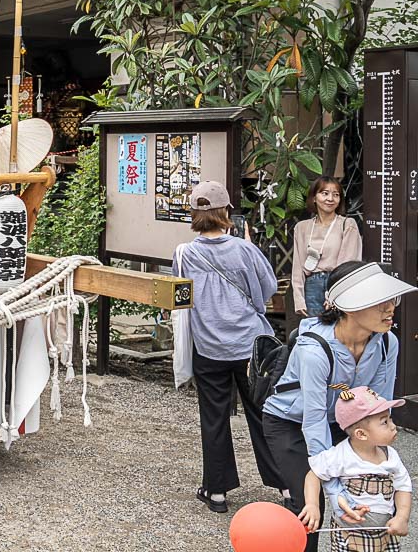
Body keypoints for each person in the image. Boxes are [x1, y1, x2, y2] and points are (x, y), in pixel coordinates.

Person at [263, 260, 416, 552]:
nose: (390, 309)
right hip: (291, 422)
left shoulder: (387, 343)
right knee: (310, 499)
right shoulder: (314, 351)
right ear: (349, 307)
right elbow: (314, 419)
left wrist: (374, 458)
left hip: (342, 421)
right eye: (379, 302)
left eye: (391, 300)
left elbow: (377, 408)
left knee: (362, 497)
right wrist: (335, 490)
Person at [172, 181, 284, 513]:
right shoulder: (244, 249)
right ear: (226, 212)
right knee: (264, 414)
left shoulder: (185, 254)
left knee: (214, 417)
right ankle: (287, 486)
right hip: (249, 345)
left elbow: (181, 300)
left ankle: (217, 492)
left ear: (194, 214)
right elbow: (266, 289)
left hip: (209, 346)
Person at [300, 386, 412, 550]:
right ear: (361, 434)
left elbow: (403, 486)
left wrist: (402, 517)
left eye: (391, 419)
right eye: (385, 422)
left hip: (385, 531)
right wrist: (312, 505)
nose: (393, 426)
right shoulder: (341, 455)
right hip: (348, 532)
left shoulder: (391, 456)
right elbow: (314, 474)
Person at [292, 176, 362, 317]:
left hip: (337, 284)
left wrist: (334, 293)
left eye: (336, 195)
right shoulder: (302, 227)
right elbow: (297, 266)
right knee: (314, 332)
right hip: (311, 286)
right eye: (325, 193)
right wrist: (299, 299)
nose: (330, 199)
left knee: (337, 333)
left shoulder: (347, 224)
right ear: (314, 197)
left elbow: (347, 263)